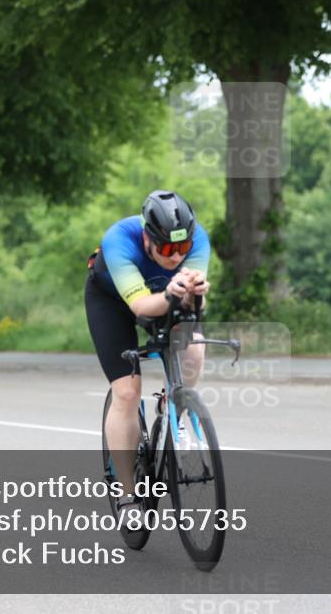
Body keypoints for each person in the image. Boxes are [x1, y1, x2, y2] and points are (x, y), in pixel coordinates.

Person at [85, 190, 211, 524]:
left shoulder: (198, 240)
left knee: (195, 348)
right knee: (126, 392)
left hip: (167, 296)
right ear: (146, 238)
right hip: (113, 302)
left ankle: (173, 404)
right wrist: (171, 292)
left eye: (183, 249)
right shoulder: (118, 241)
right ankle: (127, 496)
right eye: (168, 249)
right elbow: (141, 308)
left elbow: (195, 306)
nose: (176, 257)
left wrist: (196, 295)